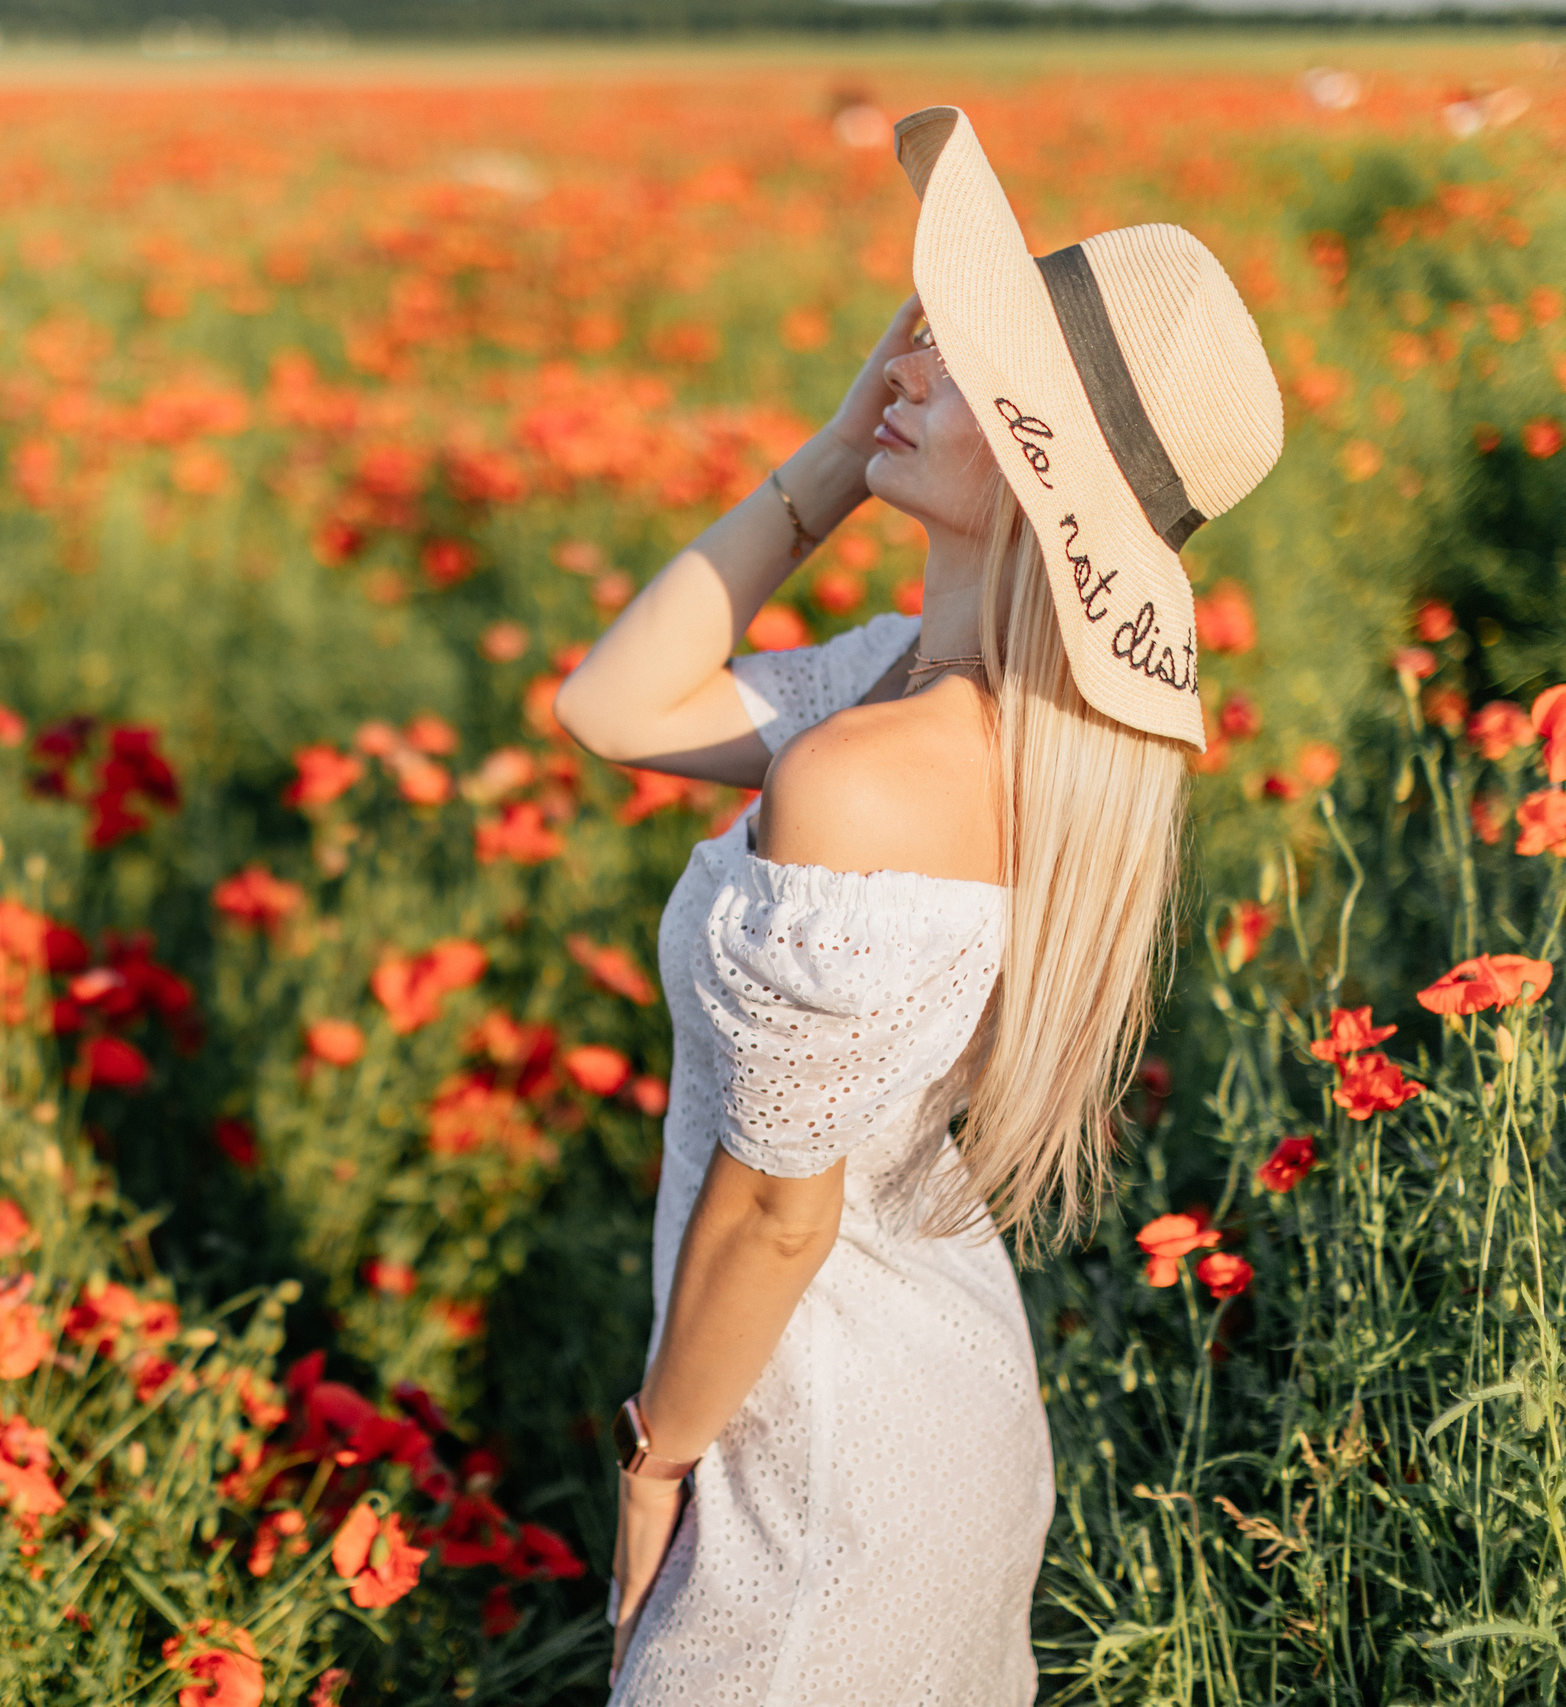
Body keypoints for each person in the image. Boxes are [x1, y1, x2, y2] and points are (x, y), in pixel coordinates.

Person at [551, 107, 1284, 1702]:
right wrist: (830, 458)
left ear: (1037, 466)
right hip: (915, 1382)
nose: (901, 367)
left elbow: (775, 1209)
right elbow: (614, 707)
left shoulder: (872, 769)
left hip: (803, 1443)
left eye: (955, 364)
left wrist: (657, 1456)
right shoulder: (927, 699)